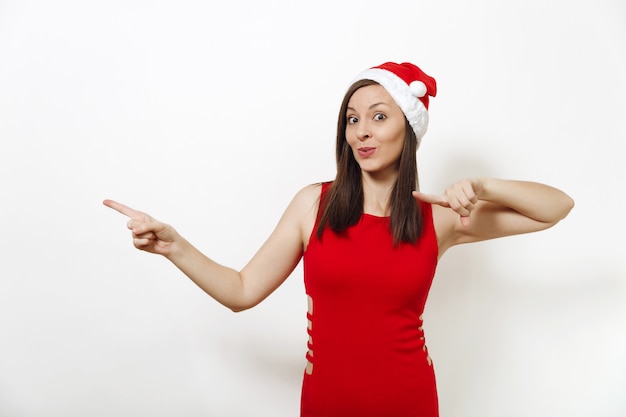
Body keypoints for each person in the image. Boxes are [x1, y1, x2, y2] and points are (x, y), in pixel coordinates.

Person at [103, 62, 574, 417]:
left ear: (408, 131)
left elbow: (556, 208)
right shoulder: (314, 205)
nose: (362, 131)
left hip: (408, 401)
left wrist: (484, 187)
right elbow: (242, 291)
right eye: (352, 119)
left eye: (378, 117)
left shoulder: (440, 218)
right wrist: (173, 245)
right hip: (327, 403)